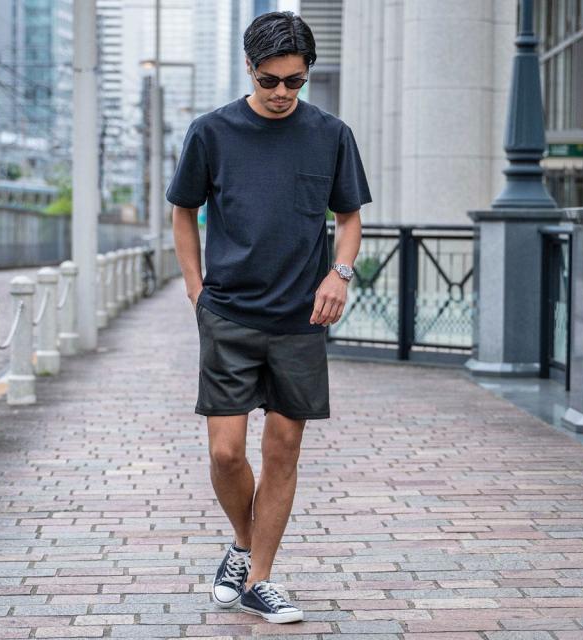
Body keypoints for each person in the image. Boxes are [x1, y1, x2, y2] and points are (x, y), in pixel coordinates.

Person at [166, 10, 371, 624]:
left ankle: (259, 577)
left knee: (283, 450)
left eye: (295, 81)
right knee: (227, 454)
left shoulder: (331, 134)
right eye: (270, 80)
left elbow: (349, 217)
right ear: (249, 69)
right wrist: (196, 290)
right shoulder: (211, 132)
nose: (283, 92)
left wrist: (339, 274)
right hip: (228, 313)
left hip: (299, 319)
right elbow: (183, 210)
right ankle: (241, 541)